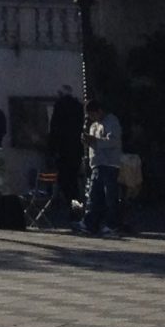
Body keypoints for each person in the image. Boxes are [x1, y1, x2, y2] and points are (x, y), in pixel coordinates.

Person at [79, 101, 125, 237]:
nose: (92, 118)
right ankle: (90, 223)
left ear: (99, 111)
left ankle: (112, 224)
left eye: (93, 114)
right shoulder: (93, 125)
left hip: (110, 163)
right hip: (97, 163)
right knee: (94, 195)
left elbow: (114, 141)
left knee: (110, 196)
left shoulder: (111, 121)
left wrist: (95, 141)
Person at [48, 85, 85, 213]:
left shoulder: (60, 106)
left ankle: (70, 202)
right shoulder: (78, 106)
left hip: (62, 148)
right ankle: (75, 202)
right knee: (73, 177)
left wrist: (52, 149)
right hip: (76, 148)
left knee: (64, 177)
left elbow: (54, 128)